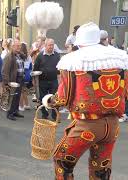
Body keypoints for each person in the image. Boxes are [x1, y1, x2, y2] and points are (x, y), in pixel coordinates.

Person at [42, 22, 128, 180]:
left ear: (79, 41)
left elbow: (63, 98)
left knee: (62, 160)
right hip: (112, 126)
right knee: (101, 168)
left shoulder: (74, 60)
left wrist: (49, 100)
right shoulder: (119, 59)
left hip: (87, 125)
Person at [33, 38, 60, 120]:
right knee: (42, 99)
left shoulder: (57, 55)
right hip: (42, 81)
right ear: (45, 45)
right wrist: (34, 81)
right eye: (49, 45)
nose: (51, 47)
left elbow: (59, 68)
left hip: (53, 80)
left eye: (52, 45)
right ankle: (45, 115)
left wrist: (60, 79)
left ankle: (55, 116)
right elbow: (35, 69)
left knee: (55, 99)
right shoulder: (40, 56)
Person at [2, 39, 25, 121]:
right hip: (13, 80)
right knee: (12, 97)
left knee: (17, 97)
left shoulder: (18, 55)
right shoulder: (9, 56)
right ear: (12, 46)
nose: (19, 47)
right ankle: (9, 113)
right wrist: (6, 83)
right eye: (17, 46)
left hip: (20, 79)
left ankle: (15, 111)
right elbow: (5, 71)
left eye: (20, 45)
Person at [19, 42, 32, 111]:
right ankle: (26, 104)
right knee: (24, 90)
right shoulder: (28, 56)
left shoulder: (19, 55)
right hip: (27, 74)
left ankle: (21, 106)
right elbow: (30, 66)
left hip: (21, 74)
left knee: (20, 90)